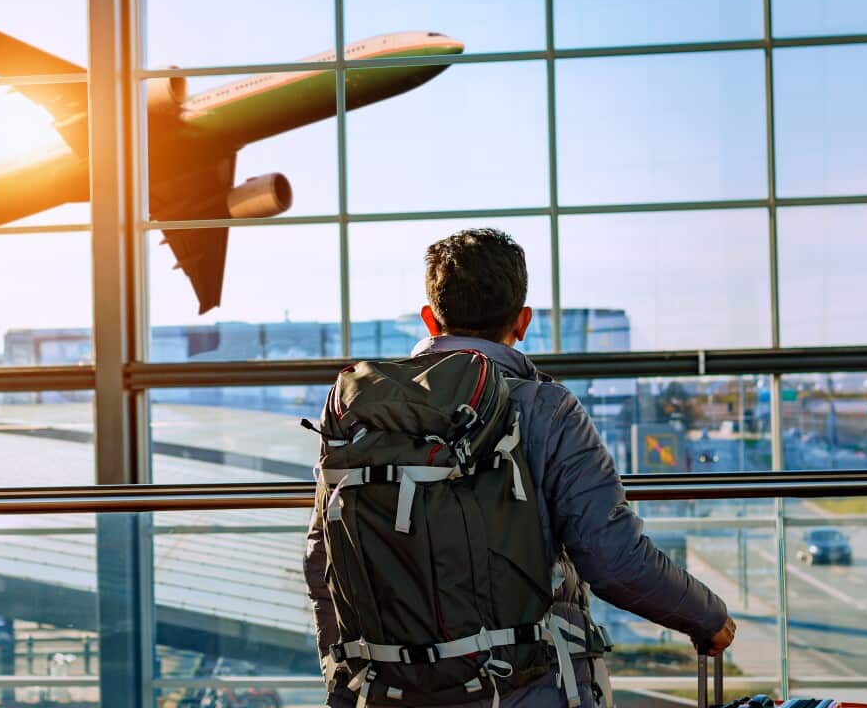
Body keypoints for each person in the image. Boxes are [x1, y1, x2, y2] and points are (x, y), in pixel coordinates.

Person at [304, 228, 736, 708]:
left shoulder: (358, 408)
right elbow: (613, 559)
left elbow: (322, 565)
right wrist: (708, 617)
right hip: (521, 690)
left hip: (383, 695)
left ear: (431, 319)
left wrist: (344, 681)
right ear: (523, 321)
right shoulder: (545, 408)